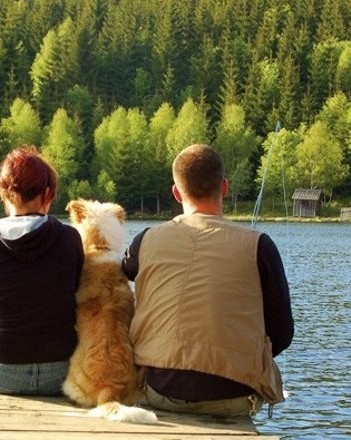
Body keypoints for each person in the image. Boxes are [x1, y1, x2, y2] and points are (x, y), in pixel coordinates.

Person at [122, 144, 294, 423]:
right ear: (225, 187)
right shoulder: (260, 246)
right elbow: (283, 333)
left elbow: (119, 278)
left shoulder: (145, 240)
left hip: (159, 391)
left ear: (176, 192)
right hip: (232, 398)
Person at [0, 145, 83, 395]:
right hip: (62, 374)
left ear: (3, 192)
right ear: (48, 193)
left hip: (3, 375)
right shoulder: (70, 239)